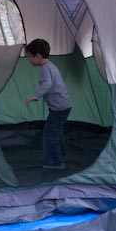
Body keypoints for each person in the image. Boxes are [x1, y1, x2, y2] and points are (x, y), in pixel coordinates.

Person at [24, 39, 72, 170]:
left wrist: (36, 95)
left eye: (29, 56)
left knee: (49, 136)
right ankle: (61, 155)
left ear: (38, 56)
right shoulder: (51, 66)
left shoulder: (45, 69)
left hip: (59, 109)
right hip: (64, 106)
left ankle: (55, 163)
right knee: (57, 133)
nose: (29, 59)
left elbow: (47, 84)